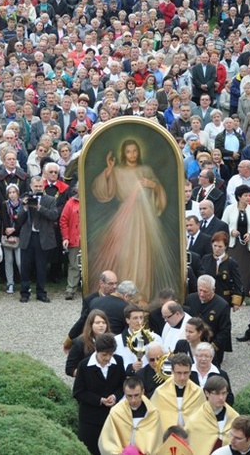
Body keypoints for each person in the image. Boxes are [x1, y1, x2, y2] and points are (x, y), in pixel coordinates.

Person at [91, 139, 173, 302]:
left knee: (143, 255)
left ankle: (142, 295)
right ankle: (124, 293)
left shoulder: (146, 169)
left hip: (145, 217)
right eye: (128, 151)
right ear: (123, 153)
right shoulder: (117, 170)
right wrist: (109, 170)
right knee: (125, 254)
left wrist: (153, 185)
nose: (132, 154)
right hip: (125, 217)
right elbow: (101, 191)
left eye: (135, 151)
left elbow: (159, 193)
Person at [72, 332, 126, 455]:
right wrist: (100, 400)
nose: (107, 358)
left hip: (112, 417)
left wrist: (115, 396)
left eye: (110, 354)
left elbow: (122, 384)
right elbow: (78, 392)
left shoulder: (118, 361)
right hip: (90, 419)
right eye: (104, 354)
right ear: (96, 350)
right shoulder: (84, 366)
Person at [18, 176, 58, 303]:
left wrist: (40, 208)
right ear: (31, 186)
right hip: (28, 237)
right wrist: (25, 207)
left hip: (43, 237)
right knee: (25, 266)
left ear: (44, 186)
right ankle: (24, 292)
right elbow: (19, 218)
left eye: (40, 186)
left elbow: (54, 215)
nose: (38, 188)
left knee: (41, 267)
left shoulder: (50, 200)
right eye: (36, 186)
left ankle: (41, 292)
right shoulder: (25, 198)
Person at [98, 376, 162, 455]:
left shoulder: (152, 413)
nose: (133, 400)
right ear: (124, 393)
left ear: (143, 392)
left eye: (136, 395)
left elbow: (156, 442)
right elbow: (107, 440)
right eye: (129, 396)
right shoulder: (117, 412)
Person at [185, 275, 233, 365]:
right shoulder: (190, 299)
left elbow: (225, 330)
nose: (202, 294)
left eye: (205, 291)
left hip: (210, 346)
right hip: (192, 345)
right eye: (200, 290)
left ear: (213, 290)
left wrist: (212, 347)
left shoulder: (222, 305)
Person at [222, 184, 250, 293]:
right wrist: (231, 231)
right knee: (233, 269)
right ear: (239, 197)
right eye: (245, 195)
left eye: (249, 195)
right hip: (233, 245)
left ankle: (244, 293)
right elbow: (223, 225)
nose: (248, 197)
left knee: (247, 270)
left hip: (247, 246)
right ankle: (233, 291)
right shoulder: (229, 209)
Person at [152, 352, 205, 429]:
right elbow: (153, 418)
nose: (182, 377)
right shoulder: (160, 392)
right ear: (172, 371)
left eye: (186, 373)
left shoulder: (198, 392)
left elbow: (203, 418)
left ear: (190, 372)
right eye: (179, 373)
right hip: (167, 436)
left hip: (192, 436)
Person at [200, 232, 243, 310]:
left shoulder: (231, 263)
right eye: (215, 246)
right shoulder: (205, 259)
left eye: (220, 246)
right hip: (207, 297)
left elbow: (237, 283)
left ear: (225, 247)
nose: (217, 249)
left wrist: (236, 302)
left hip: (224, 298)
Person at [115, 304, 161, 374]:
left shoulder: (155, 338)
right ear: (127, 320)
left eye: (141, 317)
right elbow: (114, 365)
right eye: (135, 318)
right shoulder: (117, 341)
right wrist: (131, 367)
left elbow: (162, 360)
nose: (139, 321)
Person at [66, 309, 111, 378]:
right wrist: (85, 374)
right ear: (90, 325)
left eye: (104, 322)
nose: (101, 325)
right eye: (97, 323)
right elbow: (69, 369)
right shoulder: (79, 342)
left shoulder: (112, 340)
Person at [59, 186, 81, 300]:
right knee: (74, 264)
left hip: (89, 240)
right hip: (74, 238)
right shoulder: (70, 202)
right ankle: (71, 289)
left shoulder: (93, 201)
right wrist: (66, 238)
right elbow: (63, 220)